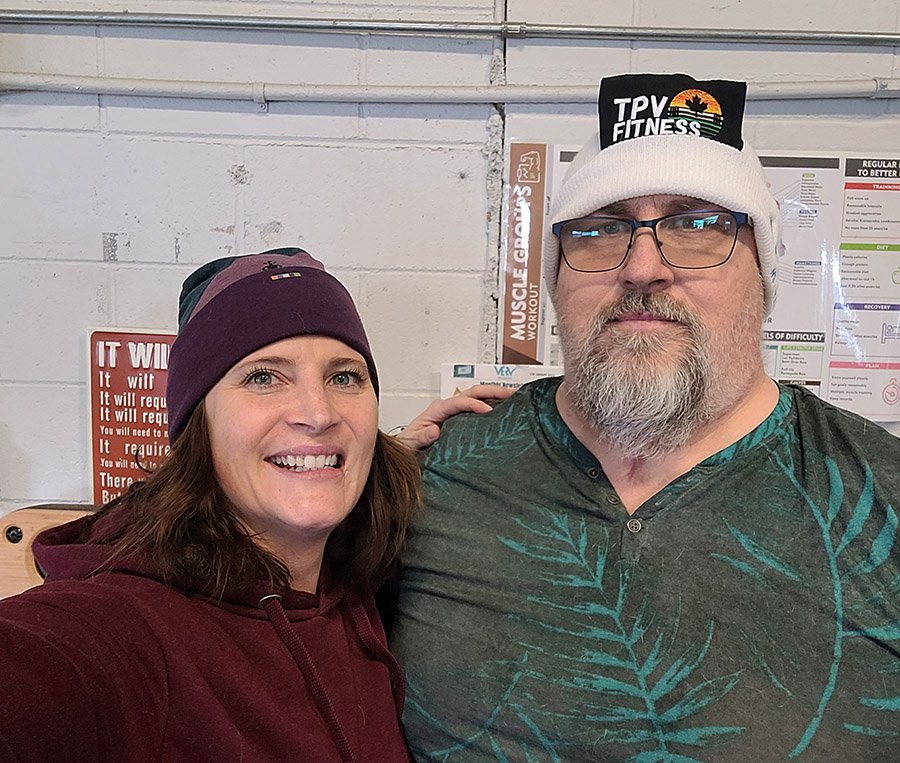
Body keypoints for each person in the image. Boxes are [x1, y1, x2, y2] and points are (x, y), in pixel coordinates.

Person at [391, 74, 900, 761]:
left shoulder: (878, 496)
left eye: (697, 224)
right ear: (557, 278)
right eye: (601, 230)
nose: (641, 267)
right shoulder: (430, 482)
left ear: (763, 274)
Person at [0, 248, 421, 761]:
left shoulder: (356, 583)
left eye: (344, 377)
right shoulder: (129, 627)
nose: (319, 413)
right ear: (197, 424)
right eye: (263, 377)